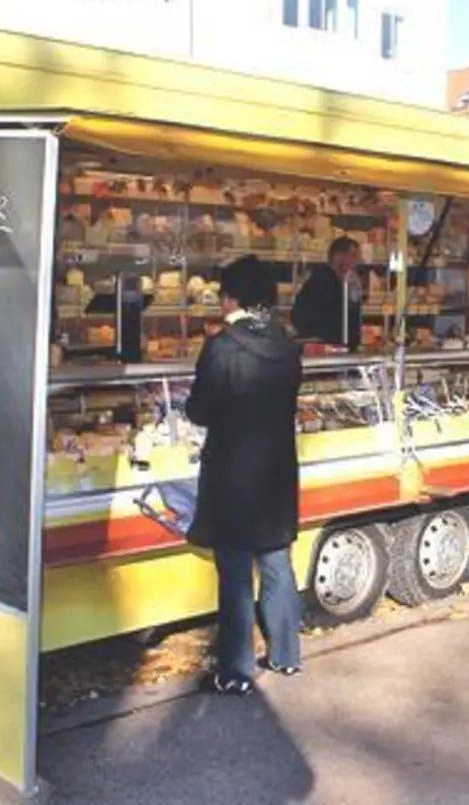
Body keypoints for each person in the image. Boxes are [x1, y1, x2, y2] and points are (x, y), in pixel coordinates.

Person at [183, 255, 304, 695]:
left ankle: (236, 671)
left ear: (231, 296)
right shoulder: (287, 345)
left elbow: (200, 410)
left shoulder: (222, 346)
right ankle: (287, 654)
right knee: (276, 563)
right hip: (275, 470)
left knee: (235, 574)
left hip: (232, 473)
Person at [292, 237, 364, 350]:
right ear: (339, 256)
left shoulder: (341, 282)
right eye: (354, 256)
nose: (358, 261)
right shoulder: (321, 283)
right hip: (327, 349)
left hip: (336, 347)